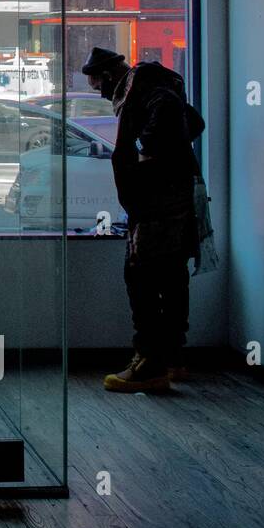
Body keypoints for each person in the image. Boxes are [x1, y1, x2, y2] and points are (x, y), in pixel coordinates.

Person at [82, 47, 205, 393]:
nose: (99, 93)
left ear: (108, 76)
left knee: (141, 277)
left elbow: (171, 120)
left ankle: (149, 363)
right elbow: (195, 122)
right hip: (171, 200)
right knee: (171, 275)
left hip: (156, 204)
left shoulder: (144, 88)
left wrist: (144, 149)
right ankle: (172, 357)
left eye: (97, 85)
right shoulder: (155, 85)